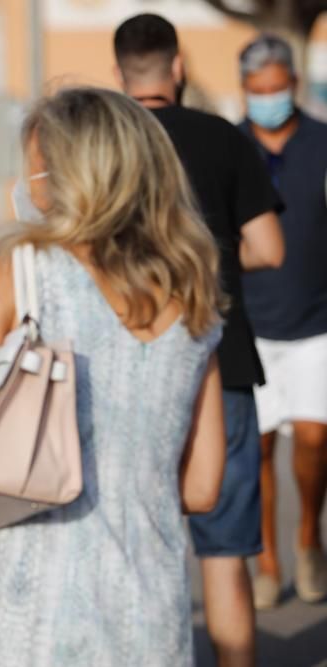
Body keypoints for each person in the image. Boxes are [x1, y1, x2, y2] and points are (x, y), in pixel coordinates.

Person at [0, 87, 227, 666]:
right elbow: (203, 487)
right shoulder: (193, 296)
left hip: (26, 609)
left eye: (36, 170)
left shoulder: (25, 269)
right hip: (149, 612)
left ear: (66, 177)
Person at [113, 14, 284, 665]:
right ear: (178, 68)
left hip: (125, 367)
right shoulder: (225, 139)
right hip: (223, 359)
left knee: (133, 546)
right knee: (224, 550)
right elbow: (270, 247)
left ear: (121, 74)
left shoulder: (105, 145)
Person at [236, 34, 327, 609]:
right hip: (251, 322)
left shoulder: (321, 141)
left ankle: (308, 537)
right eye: (257, 90)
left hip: (317, 317)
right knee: (261, 448)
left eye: (277, 88)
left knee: (315, 440)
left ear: (292, 85)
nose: (268, 99)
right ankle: (267, 557)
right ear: (245, 89)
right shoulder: (233, 144)